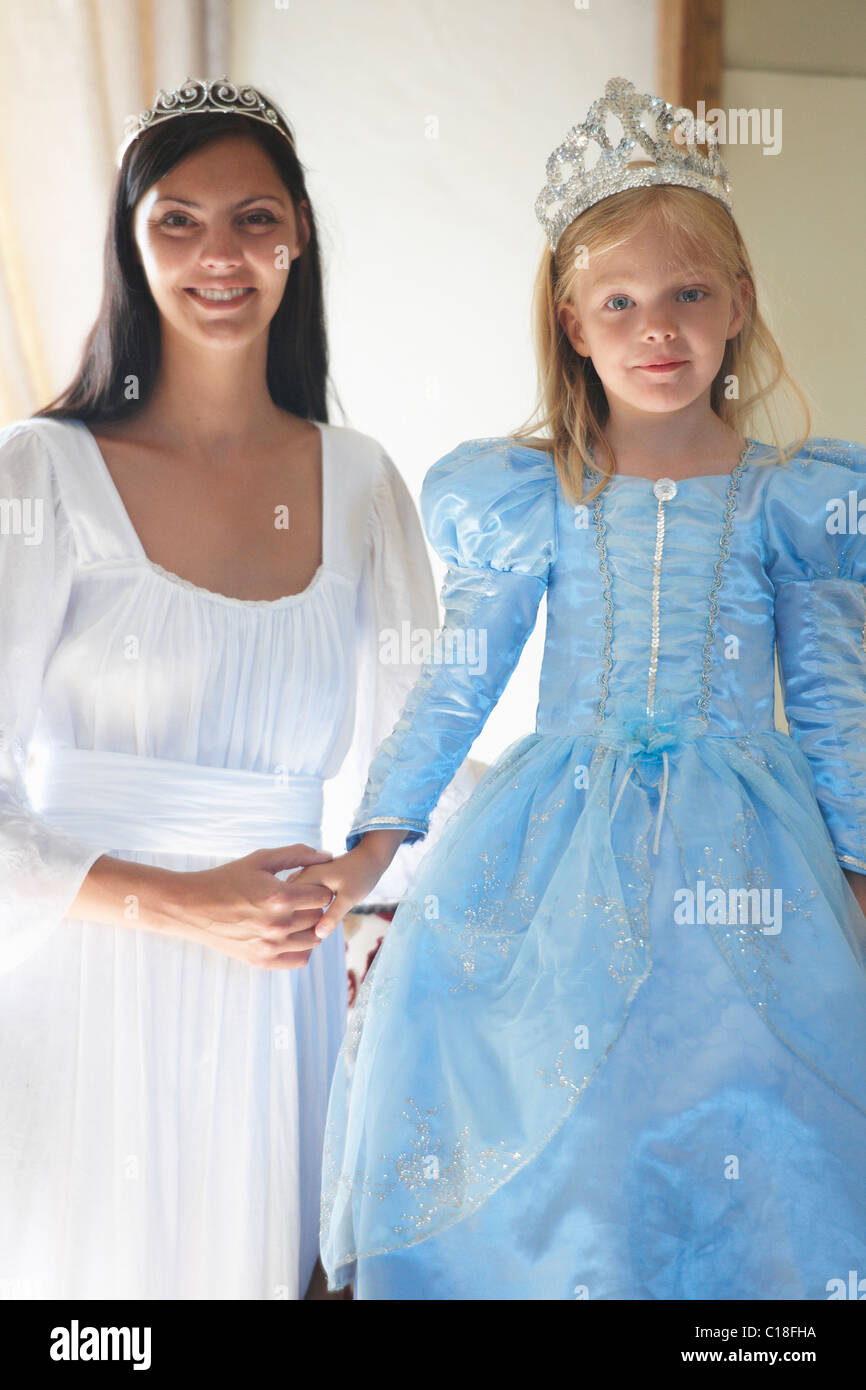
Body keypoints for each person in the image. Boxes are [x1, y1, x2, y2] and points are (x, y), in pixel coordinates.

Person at [292, 76, 866, 1299]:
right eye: (619, 303)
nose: (655, 329)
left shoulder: (789, 501)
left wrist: (859, 873)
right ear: (570, 320)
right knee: (561, 1126)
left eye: (685, 296)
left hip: (748, 861)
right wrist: (373, 852)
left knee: (742, 1111)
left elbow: (831, 708)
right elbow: (457, 686)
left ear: (737, 306)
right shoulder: (533, 496)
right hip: (552, 842)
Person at [0, 77, 470, 1300]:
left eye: (255, 219)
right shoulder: (41, 472)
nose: (221, 255)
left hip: (278, 1003)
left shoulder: (363, 485)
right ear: (129, 239)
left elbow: (415, 764)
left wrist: (356, 875)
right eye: (178, 220)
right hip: (79, 985)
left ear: (299, 236)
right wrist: (176, 903)